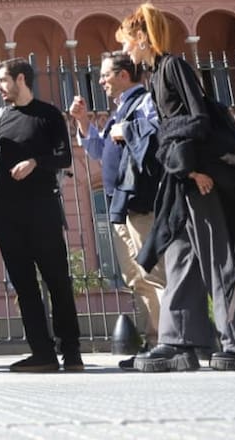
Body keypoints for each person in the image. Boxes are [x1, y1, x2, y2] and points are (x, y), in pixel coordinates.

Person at [121, 3, 235, 373]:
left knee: (217, 256)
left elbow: (197, 118)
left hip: (198, 176)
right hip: (183, 174)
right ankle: (180, 341)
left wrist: (192, 168)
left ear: (143, 37)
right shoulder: (156, 75)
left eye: (129, 41)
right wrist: (181, 167)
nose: (127, 50)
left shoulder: (173, 66)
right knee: (180, 255)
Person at [70, 52, 165, 367]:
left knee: (152, 272)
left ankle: (170, 340)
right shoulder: (119, 110)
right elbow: (98, 150)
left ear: (124, 75)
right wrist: (83, 124)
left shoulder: (144, 104)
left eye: (104, 75)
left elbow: (157, 134)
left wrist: (128, 131)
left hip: (140, 199)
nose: (100, 81)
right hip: (119, 203)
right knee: (134, 276)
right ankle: (154, 341)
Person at [0, 59, 84, 373]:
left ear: (20, 79)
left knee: (57, 280)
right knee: (25, 286)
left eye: (3, 81)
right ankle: (42, 353)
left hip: (42, 207)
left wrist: (35, 162)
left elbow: (64, 156)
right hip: (6, 211)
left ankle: (71, 351)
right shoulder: (0, 116)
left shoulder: (49, 114)